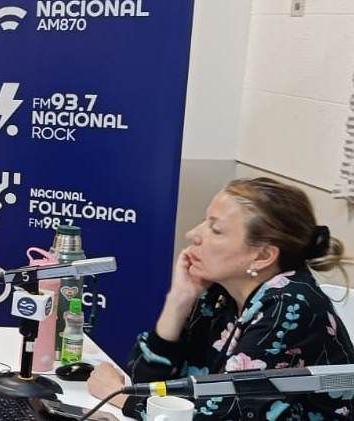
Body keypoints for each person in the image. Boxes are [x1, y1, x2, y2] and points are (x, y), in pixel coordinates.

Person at [87, 177, 354, 419]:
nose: (193, 234)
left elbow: (221, 415)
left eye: (215, 229)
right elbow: (148, 382)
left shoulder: (290, 306)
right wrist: (180, 299)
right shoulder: (221, 293)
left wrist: (119, 397)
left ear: (262, 256)